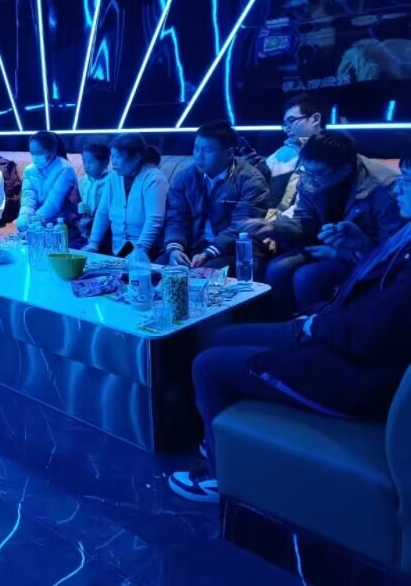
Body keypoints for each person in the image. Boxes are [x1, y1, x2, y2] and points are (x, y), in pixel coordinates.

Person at [168, 152, 411, 503]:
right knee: (220, 335)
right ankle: (219, 436)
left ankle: (222, 477)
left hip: (356, 375)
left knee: (207, 365)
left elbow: (371, 333)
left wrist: (314, 325)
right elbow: (370, 294)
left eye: (407, 182)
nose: (398, 187)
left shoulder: (387, 214)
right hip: (336, 337)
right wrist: (360, 248)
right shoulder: (404, 236)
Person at [245, 132, 402, 317]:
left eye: (317, 174)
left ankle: (313, 327)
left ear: (344, 170)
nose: (309, 180)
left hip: (364, 256)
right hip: (322, 245)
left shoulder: (384, 188)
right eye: (306, 171)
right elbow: (306, 220)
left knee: (308, 277)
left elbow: (392, 251)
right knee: (277, 269)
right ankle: (284, 326)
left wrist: (340, 254)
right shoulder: (311, 175)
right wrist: (275, 227)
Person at [164, 121, 269, 271]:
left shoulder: (251, 180)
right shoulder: (185, 178)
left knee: (206, 271)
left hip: (235, 250)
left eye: (207, 151)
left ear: (229, 154)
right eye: (196, 148)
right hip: (195, 245)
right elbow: (176, 218)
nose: (199, 156)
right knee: (160, 267)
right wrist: (175, 248)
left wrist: (208, 253)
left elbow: (241, 226)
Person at [83, 133, 169, 257]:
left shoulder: (154, 178)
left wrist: (141, 250)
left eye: (117, 157)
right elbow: (103, 213)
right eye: (112, 156)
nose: (113, 162)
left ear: (136, 158)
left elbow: (154, 219)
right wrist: (93, 244)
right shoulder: (113, 177)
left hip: (149, 250)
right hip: (118, 250)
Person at [265, 94, 327, 221]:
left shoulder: (332, 154)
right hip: (274, 223)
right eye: (285, 123)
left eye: (291, 120)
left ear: (315, 119)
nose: (286, 129)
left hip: (307, 225)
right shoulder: (282, 153)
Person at [17, 130, 78, 233]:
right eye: (33, 153)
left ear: (52, 151)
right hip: (36, 222)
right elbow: (28, 200)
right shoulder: (29, 170)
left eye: (39, 153)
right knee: (22, 225)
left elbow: (53, 204)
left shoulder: (65, 169)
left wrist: (34, 221)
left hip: (61, 223)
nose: (35, 157)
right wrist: (24, 219)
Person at [77, 138, 110, 244]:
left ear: (105, 162)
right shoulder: (82, 181)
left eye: (90, 162)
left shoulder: (110, 181)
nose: (86, 166)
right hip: (84, 228)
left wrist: (92, 221)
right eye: (84, 162)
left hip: (104, 229)